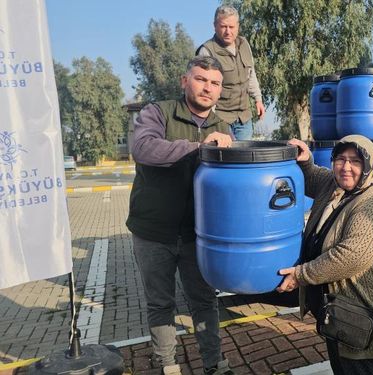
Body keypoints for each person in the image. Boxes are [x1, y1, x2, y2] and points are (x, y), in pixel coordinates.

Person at [126, 56, 234, 375]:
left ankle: (214, 363)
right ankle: (167, 365)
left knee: (203, 301)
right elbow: (144, 149)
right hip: (152, 231)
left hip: (196, 235)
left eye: (215, 83)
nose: (207, 88)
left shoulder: (222, 128)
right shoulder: (157, 112)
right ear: (185, 81)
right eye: (201, 79)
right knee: (161, 304)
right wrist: (199, 147)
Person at [278, 135, 373, 375]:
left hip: (364, 319)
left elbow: (350, 257)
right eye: (340, 159)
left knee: (360, 368)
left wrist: (300, 275)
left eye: (355, 161)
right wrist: (305, 162)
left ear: (368, 165)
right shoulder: (334, 185)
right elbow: (313, 177)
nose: (346, 167)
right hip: (339, 316)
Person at [196, 4, 265, 140]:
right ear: (215, 26)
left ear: (238, 26)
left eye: (232, 27)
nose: (228, 31)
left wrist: (258, 99)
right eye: (223, 27)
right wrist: (209, 120)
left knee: (243, 159)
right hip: (220, 118)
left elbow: (251, 75)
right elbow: (203, 88)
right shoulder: (207, 51)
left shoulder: (244, 45)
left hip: (243, 118)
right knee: (225, 158)